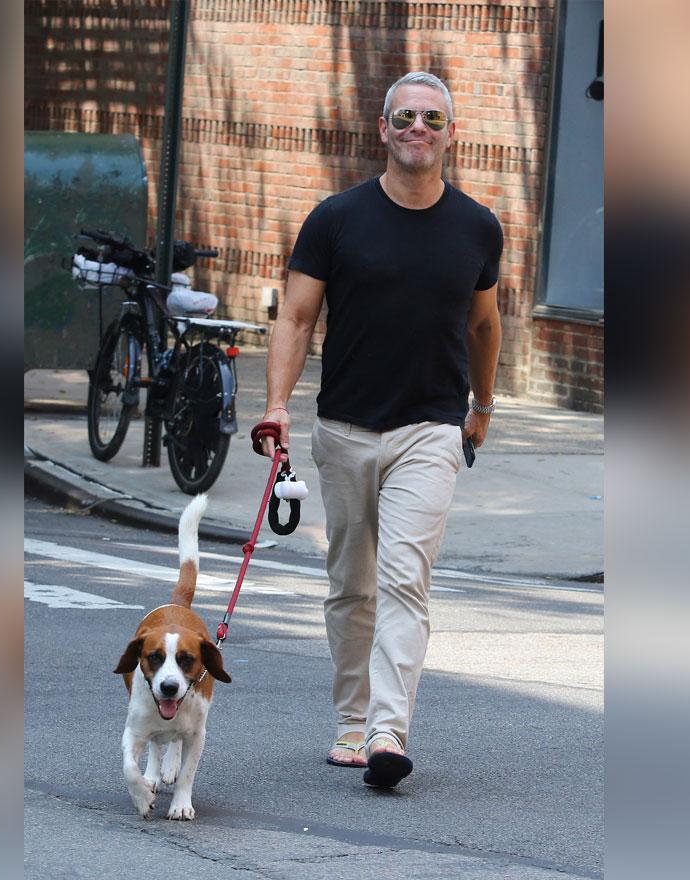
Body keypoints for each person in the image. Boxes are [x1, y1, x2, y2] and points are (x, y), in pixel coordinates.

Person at [261, 71, 503, 788]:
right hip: (343, 427)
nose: (418, 128)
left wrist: (482, 406)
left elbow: (484, 322)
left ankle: (387, 732)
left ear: (450, 133)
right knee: (351, 584)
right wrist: (277, 402)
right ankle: (349, 718)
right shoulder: (336, 219)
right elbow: (297, 318)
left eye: (432, 117)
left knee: (404, 581)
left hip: (430, 428)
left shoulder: (476, 227)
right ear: (383, 129)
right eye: (405, 117)